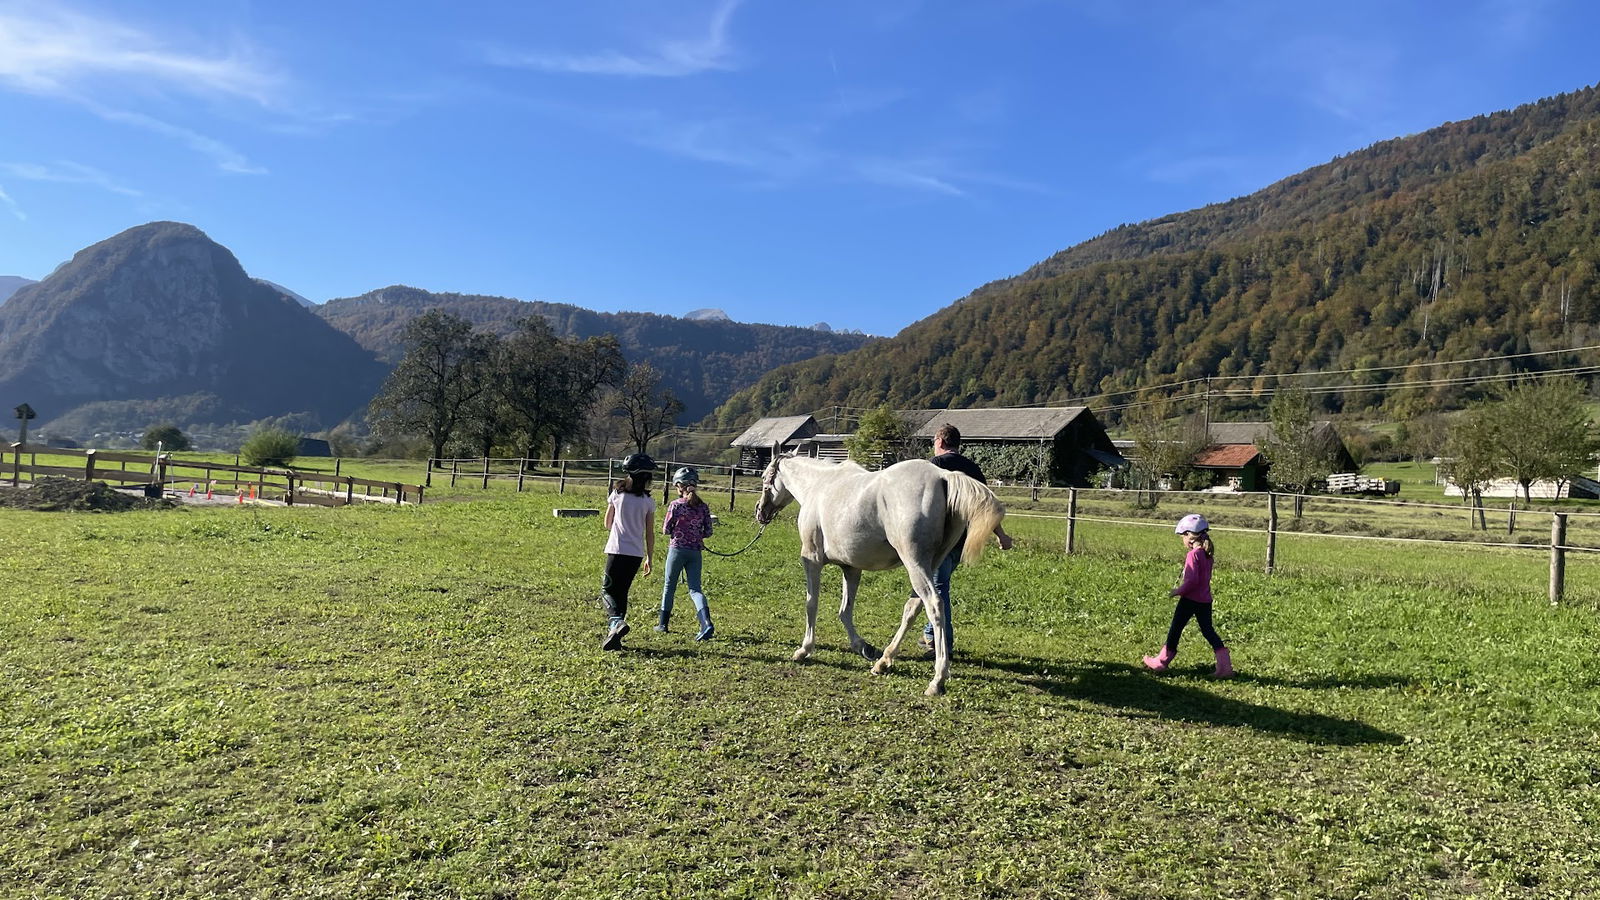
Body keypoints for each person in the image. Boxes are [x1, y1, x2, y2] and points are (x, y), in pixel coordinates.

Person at [917, 423, 1014, 654]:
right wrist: (1001, 535)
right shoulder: (972, 468)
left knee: (938, 590)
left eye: (934, 443)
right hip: (962, 541)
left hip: (940, 540)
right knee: (935, 586)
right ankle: (931, 633)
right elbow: (986, 505)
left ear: (940, 442)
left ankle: (943, 645)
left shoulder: (936, 466)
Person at [1142, 513, 1233, 678]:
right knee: (1208, 631)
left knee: (1175, 629)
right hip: (1205, 600)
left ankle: (1161, 662)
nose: (1182, 541)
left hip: (1190, 600)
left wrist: (1178, 591)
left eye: (1182, 536)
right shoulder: (1207, 554)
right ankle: (1225, 667)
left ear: (1189, 536)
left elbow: (1192, 581)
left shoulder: (1193, 555)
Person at [600, 453, 657, 651]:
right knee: (622, 593)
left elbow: (607, 524)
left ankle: (616, 622)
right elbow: (649, 533)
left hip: (617, 550)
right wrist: (649, 557)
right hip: (636, 553)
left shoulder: (617, 494)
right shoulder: (648, 502)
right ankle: (614, 637)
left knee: (607, 590)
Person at [658, 466, 717, 640]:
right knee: (695, 590)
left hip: (677, 550)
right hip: (695, 552)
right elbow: (708, 532)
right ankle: (706, 623)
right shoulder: (703, 507)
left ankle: (663, 624)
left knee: (669, 586)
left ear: (679, 486)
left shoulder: (675, 505)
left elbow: (666, 529)